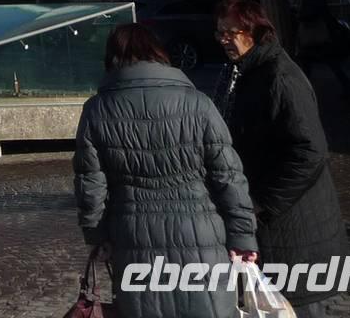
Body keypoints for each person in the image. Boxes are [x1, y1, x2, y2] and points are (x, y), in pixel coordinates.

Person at [74, 23, 256, 318]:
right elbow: (228, 176)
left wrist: (97, 235)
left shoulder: (96, 110)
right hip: (201, 234)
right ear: (158, 53)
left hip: (133, 237)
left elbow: (90, 184)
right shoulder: (199, 103)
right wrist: (243, 236)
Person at [214, 0, 350, 316]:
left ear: (254, 31)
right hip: (270, 224)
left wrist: (262, 202)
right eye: (219, 32)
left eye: (231, 32)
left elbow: (310, 151)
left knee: (298, 307)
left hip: (294, 226)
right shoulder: (239, 71)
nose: (223, 40)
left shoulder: (279, 76)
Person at [292, 0, 350, 105]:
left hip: (312, 34)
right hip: (319, 34)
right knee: (329, 63)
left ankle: (301, 91)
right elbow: (324, 12)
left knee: (309, 64)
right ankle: (347, 87)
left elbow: (307, 14)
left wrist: (297, 14)